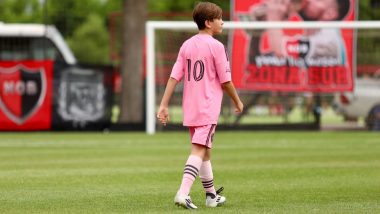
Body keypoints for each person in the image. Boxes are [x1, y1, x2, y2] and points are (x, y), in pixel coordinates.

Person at [156, 2, 244, 210]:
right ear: (208, 23)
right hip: (207, 107)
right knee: (199, 149)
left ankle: (211, 195)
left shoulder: (186, 45)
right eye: (219, 18)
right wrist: (238, 100)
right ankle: (183, 193)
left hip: (192, 107)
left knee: (205, 151)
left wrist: (163, 105)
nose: (223, 22)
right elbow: (226, 81)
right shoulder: (217, 47)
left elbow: (174, 77)